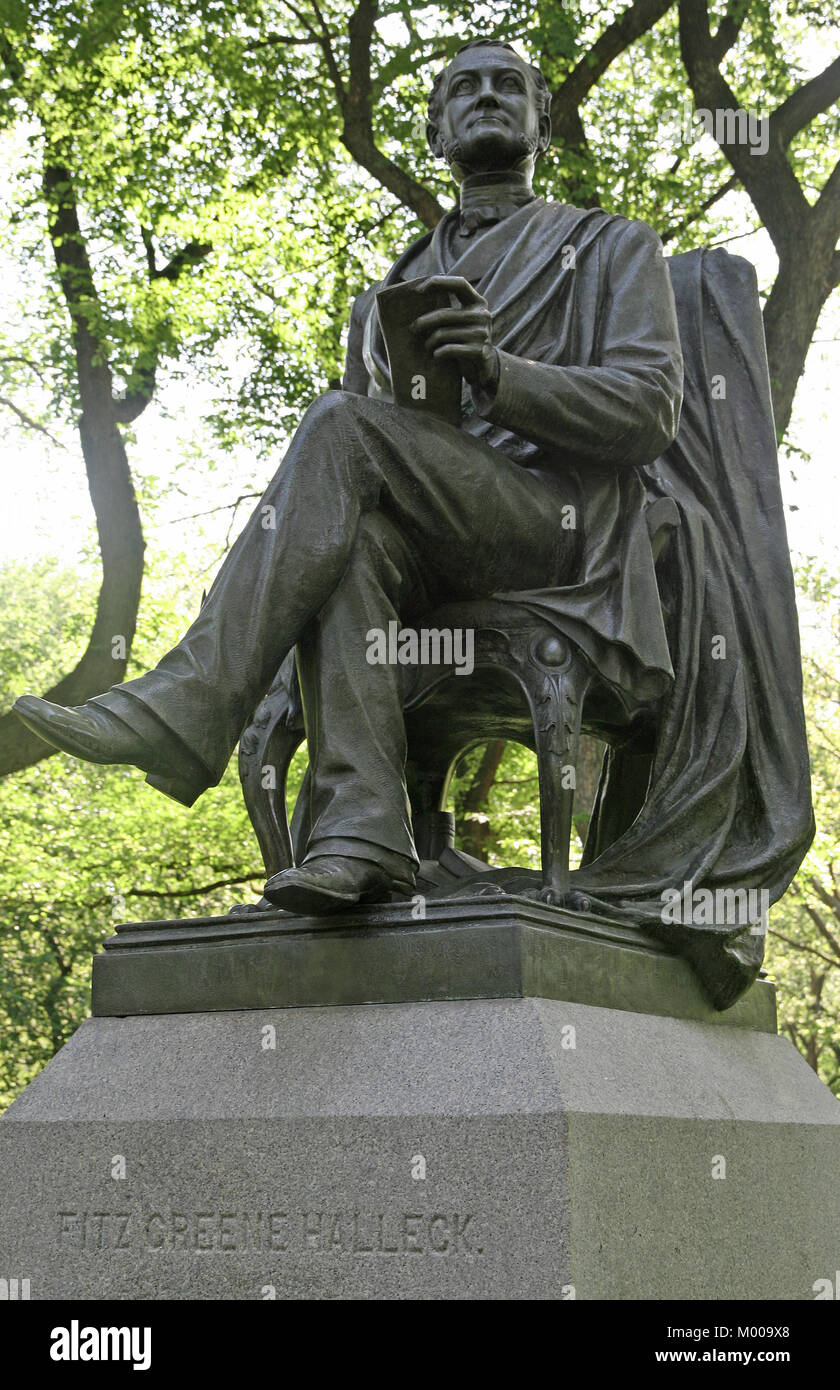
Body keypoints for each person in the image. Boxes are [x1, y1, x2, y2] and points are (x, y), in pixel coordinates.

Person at [14, 38, 683, 917]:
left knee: (336, 424)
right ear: (435, 129)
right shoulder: (391, 293)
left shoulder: (610, 247)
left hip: (559, 530)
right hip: (438, 534)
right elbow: (370, 445)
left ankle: (188, 703)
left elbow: (648, 411)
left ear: (542, 121)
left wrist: (499, 373)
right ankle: (362, 837)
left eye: (509, 86)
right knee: (349, 540)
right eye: (464, 89)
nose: (487, 97)